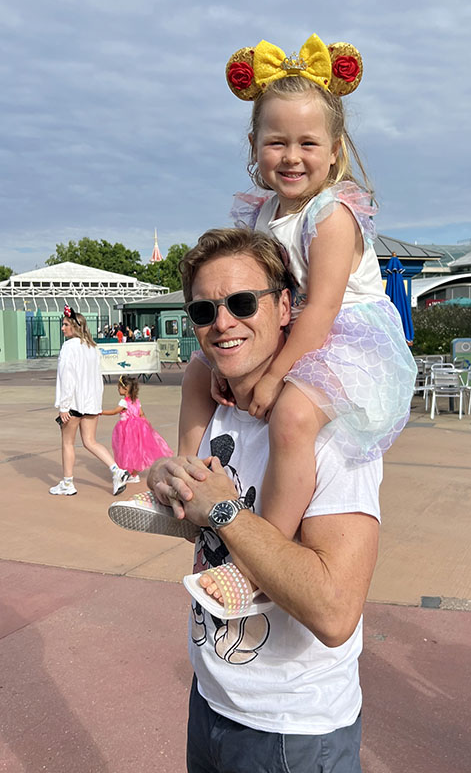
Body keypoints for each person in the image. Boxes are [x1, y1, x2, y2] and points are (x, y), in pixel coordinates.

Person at [144, 227, 382, 773]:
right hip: (214, 701)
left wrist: (224, 510)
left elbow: (335, 612)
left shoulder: (333, 435)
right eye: (203, 310)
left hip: (294, 733)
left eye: (242, 303)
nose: (221, 323)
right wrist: (169, 477)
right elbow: (201, 521)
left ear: (285, 306)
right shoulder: (217, 406)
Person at [178, 33, 416, 545]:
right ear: (255, 148)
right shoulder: (263, 213)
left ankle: (270, 542)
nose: (291, 157)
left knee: (290, 414)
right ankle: (187, 481)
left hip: (347, 341)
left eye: (307, 143)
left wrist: (271, 380)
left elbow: (322, 310)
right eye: (276, 142)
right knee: (198, 370)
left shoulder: (331, 216)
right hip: (298, 333)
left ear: (334, 153)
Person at [50, 306, 130, 497]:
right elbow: (97, 377)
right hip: (91, 402)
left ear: (75, 327)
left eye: (65, 324)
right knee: (90, 441)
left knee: (68, 443)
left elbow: (66, 377)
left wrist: (64, 405)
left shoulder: (69, 347)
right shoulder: (93, 348)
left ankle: (68, 483)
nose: (62, 328)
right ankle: (116, 471)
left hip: (74, 404)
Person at [101, 374, 173, 482]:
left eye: (119, 388)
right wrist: (145, 424)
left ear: (125, 389)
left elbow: (114, 411)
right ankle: (134, 474)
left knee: (127, 450)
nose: (118, 390)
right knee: (136, 450)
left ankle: (130, 474)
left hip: (126, 429)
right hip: (138, 429)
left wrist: (101, 412)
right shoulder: (136, 401)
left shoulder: (123, 402)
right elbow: (141, 413)